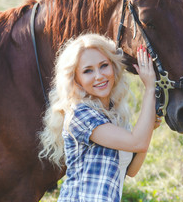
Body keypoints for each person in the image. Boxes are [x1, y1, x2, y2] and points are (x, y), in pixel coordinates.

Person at [39, 34, 161, 201]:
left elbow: (131, 170)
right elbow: (137, 142)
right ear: (76, 79)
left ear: (113, 66)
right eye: (88, 71)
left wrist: (149, 130)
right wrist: (150, 88)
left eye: (103, 65)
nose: (99, 76)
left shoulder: (115, 116)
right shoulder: (80, 113)